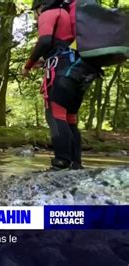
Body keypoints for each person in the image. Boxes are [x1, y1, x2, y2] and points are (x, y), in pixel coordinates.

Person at [23, 0, 99, 170]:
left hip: (62, 71)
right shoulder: (69, 17)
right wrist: (43, 62)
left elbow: (44, 41)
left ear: (40, 6)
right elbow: (63, 47)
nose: (35, 17)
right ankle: (76, 163)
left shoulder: (50, 13)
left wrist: (28, 65)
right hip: (81, 70)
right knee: (70, 119)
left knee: (55, 114)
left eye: (35, 12)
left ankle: (61, 161)